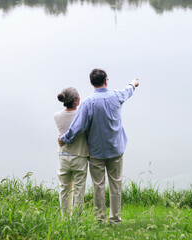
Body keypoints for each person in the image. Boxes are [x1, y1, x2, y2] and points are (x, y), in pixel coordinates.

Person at [58, 69, 139, 224]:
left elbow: (78, 127)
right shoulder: (116, 96)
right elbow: (128, 90)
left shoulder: (88, 102)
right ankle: (115, 219)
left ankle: (100, 219)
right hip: (116, 149)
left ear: (91, 83)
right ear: (106, 81)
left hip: (96, 152)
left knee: (98, 186)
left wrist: (64, 139)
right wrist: (133, 84)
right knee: (116, 185)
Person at [54, 87, 89, 216]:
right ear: (75, 100)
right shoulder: (82, 116)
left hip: (63, 156)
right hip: (79, 156)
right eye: (78, 96)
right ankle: (76, 219)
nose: (80, 98)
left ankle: (64, 218)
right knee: (79, 191)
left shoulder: (57, 116)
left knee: (64, 190)